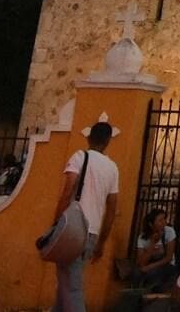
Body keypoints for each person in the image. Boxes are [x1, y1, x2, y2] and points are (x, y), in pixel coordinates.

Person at [51, 120, 121, 312]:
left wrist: (55, 224)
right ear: (108, 141)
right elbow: (112, 209)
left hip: (72, 230)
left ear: (89, 137)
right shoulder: (112, 168)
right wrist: (101, 243)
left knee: (71, 287)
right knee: (66, 282)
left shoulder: (80, 157)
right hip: (92, 233)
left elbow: (67, 192)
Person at [133, 207, 178, 294]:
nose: (164, 222)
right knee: (136, 273)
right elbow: (141, 262)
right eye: (160, 220)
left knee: (153, 274)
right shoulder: (142, 238)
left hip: (167, 266)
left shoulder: (169, 232)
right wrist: (152, 243)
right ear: (151, 224)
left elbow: (168, 258)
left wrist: (150, 267)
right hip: (149, 265)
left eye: (164, 219)